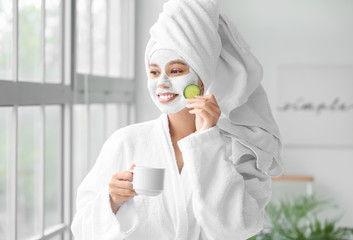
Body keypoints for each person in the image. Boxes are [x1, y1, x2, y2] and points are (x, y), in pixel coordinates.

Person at [71, 0, 284, 239]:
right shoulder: (126, 141)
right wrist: (112, 201)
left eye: (175, 71)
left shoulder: (239, 148)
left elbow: (238, 229)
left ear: (201, 78)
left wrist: (207, 141)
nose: (161, 82)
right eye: (154, 72)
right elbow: (81, 228)